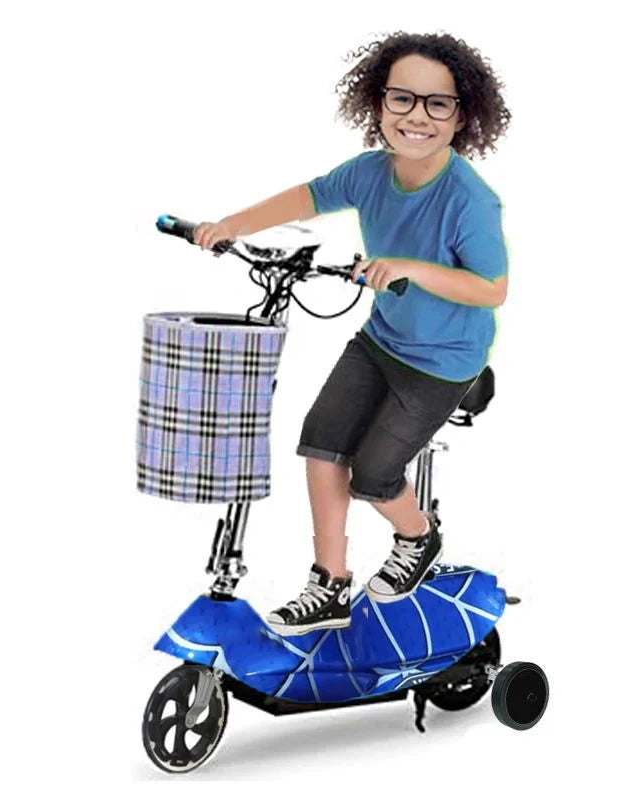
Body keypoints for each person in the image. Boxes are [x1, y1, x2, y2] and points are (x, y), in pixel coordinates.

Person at [193, 31, 511, 636]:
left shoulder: (470, 201)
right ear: (378, 104)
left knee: (374, 476)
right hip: (382, 340)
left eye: (437, 104)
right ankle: (330, 585)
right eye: (402, 99)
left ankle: (418, 537)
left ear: (462, 114)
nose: (416, 117)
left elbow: (492, 288)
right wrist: (230, 224)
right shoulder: (369, 173)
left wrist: (413, 269)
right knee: (320, 445)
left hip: (442, 360)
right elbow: (309, 196)